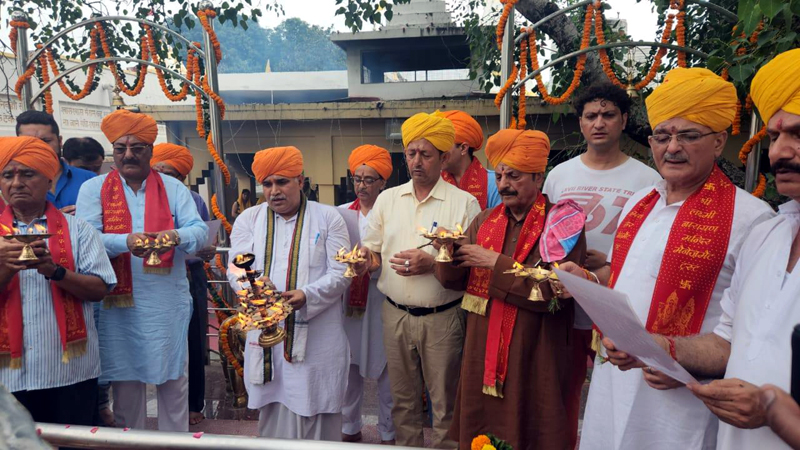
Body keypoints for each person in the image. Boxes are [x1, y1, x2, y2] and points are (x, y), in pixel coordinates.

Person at [569, 67, 775, 450]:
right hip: (614, 383)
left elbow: (750, 336)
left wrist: (674, 353)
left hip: (681, 405)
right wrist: (585, 279)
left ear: (718, 142)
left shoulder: (753, 219)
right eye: (662, 136)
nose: (672, 147)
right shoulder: (640, 202)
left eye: (688, 136)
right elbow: (625, 279)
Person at [625, 48, 800, 450]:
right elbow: (729, 339)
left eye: (798, 134)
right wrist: (664, 348)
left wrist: (774, 408)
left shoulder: (750, 218)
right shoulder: (770, 235)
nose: (778, 153)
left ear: (719, 141)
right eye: (774, 137)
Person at [435, 129, 587, 450]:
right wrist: (445, 252)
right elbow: (453, 282)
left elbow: (551, 295)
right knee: (482, 430)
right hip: (482, 346)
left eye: (514, 176)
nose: (503, 184)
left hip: (536, 348)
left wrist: (494, 262)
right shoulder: (484, 220)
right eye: (500, 175)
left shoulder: (562, 222)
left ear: (538, 174)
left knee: (534, 427)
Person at [542, 83, 662, 443]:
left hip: (616, 305)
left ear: (624, 120)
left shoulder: (648, 179)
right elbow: (544, 237)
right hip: (563, 305)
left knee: (617, 396)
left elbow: (654, 241)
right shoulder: (559, 175)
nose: (599, 123)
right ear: (580, 123)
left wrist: (608, 262)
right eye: (591, 116)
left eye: (608, 115)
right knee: (560, 391)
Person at [354, 111, 481, 448]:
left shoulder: (465, 203)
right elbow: (373, 249)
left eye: (426, 154)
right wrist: (364, 260)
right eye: (411, 153)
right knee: (403, 402)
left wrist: (434, 261)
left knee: (444, 405)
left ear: (443, 157)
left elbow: (471, 262)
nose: (416, 161)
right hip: (395, 314)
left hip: (443, 318)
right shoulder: (388, 199)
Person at [76, 109, 208, 432]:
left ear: (151, 150)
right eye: (120, 149)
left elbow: (200, 232)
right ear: (113, 153)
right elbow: (86, 238)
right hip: (117, 309)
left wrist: (174, 237)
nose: (129, 155)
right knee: (126, 396)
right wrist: (126, 241)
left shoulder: (174, 189)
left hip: (166, 308)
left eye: (137, 148)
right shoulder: (94, 190)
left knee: (174, 389)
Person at [227, 146, 351, 441]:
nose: (274, 191)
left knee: (316, 403)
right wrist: (254, 293)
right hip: (266, 331)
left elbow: (343, 271)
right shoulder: (249, 219)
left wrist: (307, 295)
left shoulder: (329, 218)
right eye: (267, 184)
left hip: (318, 334)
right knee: (273, 409)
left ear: (301, 181)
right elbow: (236, 267)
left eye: (282, 182)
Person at [0, 136, 116, 428]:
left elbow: (100, 290)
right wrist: (5, 270)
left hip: (69, 372)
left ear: (49, 180)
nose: (17, 183)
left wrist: (55, 271)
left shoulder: (80, 230)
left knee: (72, 444)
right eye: (7, 175)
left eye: (28, 174)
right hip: (5, 375)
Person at [150, 143, 216, 427]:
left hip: (189, 274)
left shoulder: (192, 200)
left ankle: (193, 404)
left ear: (183, 178)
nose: (164, 177)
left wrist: (206, 250)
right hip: (149, 277)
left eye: (172, 174)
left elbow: (203, 238)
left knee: (194, 338)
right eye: (159, 171)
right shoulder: (138, 200)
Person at [338, 145, 396, 444]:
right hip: (348, 304)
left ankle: (388, 431)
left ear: (383, 182)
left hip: (383, 300)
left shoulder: (395, 215)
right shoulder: (338, 216)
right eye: (357, 178)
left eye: (369, 179)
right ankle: (349, 427)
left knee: (389, 369)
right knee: (349, 366)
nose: (361, 185)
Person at [15, 111, 96, 213]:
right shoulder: (13, 186)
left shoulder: (89, 180)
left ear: (60, 141)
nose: (38, 147)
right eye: (29, 142)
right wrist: (54, 220)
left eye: (45, 141)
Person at [437, 110, 501, 210]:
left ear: (463, 148)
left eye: (444, 145)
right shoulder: (433, 181)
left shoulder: (495, 183)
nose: (438, 152)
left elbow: (500, 222)